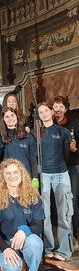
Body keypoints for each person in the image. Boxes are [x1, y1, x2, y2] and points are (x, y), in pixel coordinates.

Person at [0, 159, 44, 271]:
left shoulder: (33, 196)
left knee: (35, 242)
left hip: (25, 239)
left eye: (15, 172)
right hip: (5, 242)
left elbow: (38, 226)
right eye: (7, 173)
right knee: (12, 267)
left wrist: (24, 230)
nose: (12, 176)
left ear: (22, 174)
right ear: (2, 177)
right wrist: (5, 248)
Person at [37, 102, 72, 261]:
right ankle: (48, 247)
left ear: (51, 112)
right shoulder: (36, 133)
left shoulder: (63, 131)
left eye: (46, 110)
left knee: (64, 212)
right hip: (44, 174)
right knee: (44, 213)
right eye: (40, 112)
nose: (44, 113)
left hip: (61, 173)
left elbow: (66, 153)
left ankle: (64, 250)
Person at [52, 95, 79, 250]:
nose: (58, 109)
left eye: (61, 106)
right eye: (56, 106)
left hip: (72, 165)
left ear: (66, 109)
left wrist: (75, 149)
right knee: (57, 203)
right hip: (55, 167)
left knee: (72, 201)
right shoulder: (49, 125)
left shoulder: (73, 124)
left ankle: (73, 235)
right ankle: (59, 235)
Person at [0, 107, 38, 180]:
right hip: (8, 178)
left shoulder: (28, 137)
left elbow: (33, 160)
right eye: (7, 117)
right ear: (3, 120)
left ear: (17, 116)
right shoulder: (0, 137)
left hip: (26, 177)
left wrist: (35, 180)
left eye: (12, 115)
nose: (10, 118)